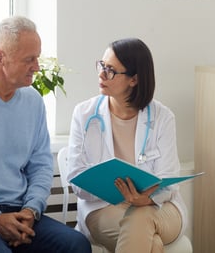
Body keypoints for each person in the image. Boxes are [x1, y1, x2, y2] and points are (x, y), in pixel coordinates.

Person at [0, 16, 91, 253]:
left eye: (38, 57)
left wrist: (31, 210)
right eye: (29, 59)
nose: (37, 67)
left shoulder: (33, 101)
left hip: (21, 209)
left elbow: (41, 165)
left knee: (76, 245)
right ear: (0, 58)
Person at [66, 38, 187, 252]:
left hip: (159, 208)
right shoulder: (84, 114)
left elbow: (169, 182)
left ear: (134, 80)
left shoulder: (163, 117)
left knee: (141, 218)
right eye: (101, 65)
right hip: (104, 209)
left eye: (110, 70)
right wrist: (120, 193)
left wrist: (145, 199)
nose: (101, 74)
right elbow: (77, 179)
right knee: (153, 244)